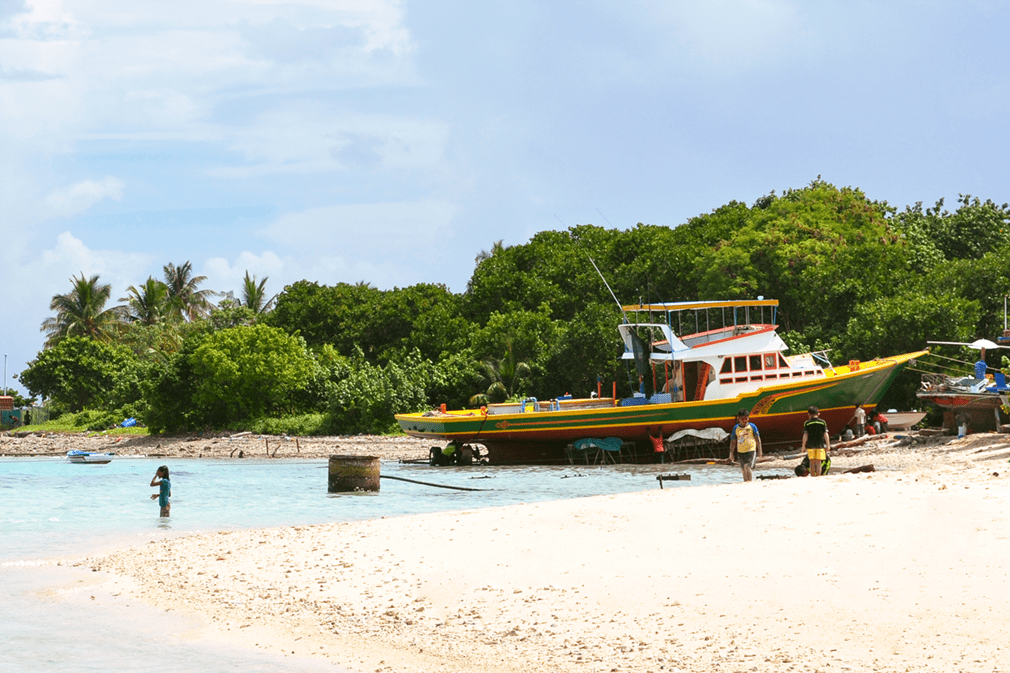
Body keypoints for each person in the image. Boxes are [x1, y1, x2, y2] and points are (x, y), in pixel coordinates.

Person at [728, 409, 762, 482]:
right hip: (740, 451)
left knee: (748, 466)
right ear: (738, 419)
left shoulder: (752, 426)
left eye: (746, 418)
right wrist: (731, 454)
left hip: (751, 450)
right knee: (743, 468)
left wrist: (760, 450)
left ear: (748, 418)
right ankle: (745, 482)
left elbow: (758, 439)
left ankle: (749, 482)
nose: (744, 420)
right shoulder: (735, 428)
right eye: (742, 419)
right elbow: (733, 441)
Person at [801, 406, 830, 477]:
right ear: (818, 413)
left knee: (812, 462)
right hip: (820, 445)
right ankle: (818, 476)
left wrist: (803, 446)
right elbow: (826, 434)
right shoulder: (822, 422)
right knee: (818, 462)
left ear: (809, 414)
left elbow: (805, 435)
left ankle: (813, 476)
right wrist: (828, 445)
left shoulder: (807, 423)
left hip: (810, 445)